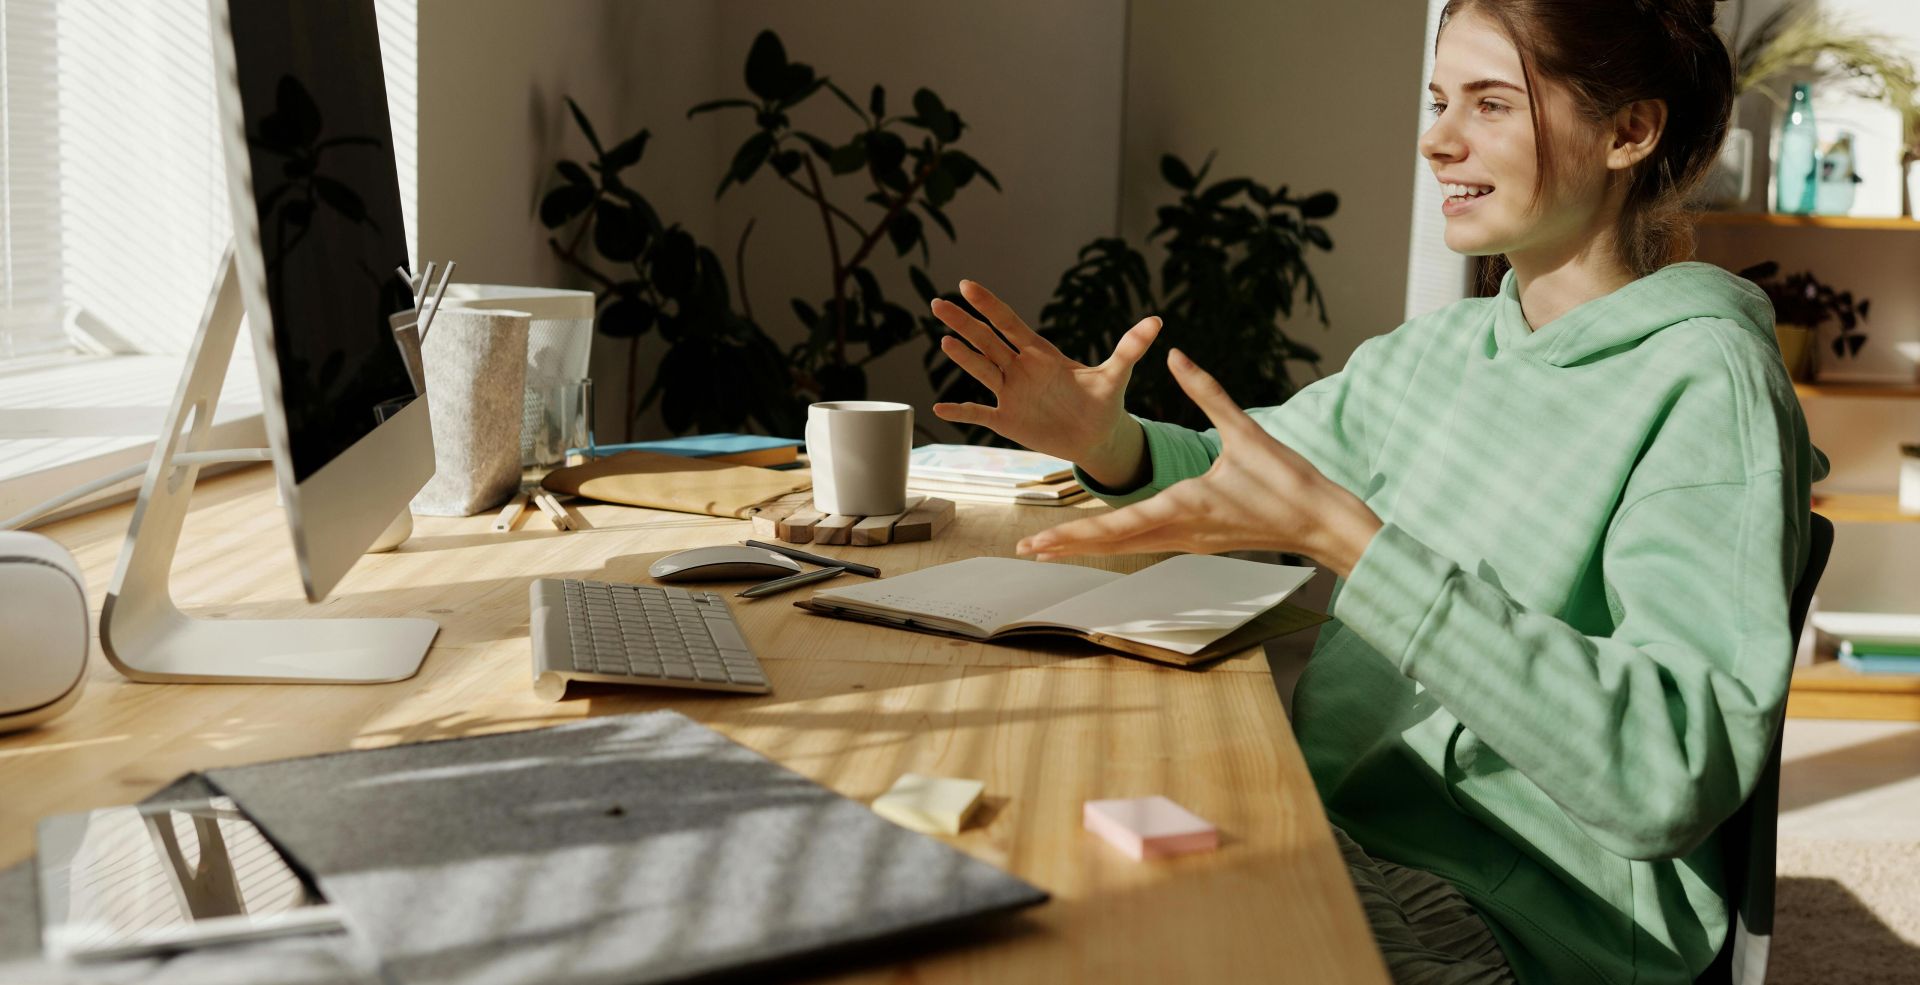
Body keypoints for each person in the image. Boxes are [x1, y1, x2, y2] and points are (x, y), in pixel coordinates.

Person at [927, 1, 1826, 983]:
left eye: (1490, 103)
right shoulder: (1441, 350)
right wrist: (1106, 438)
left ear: (1629, 131)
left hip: (1501, 915)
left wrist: (1357, 546)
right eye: (1440, 100)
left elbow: (1669, 771)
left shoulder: (1706, 386)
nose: (1438, 140)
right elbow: (1254, 482)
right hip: (1336, 832)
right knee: (997, 871)